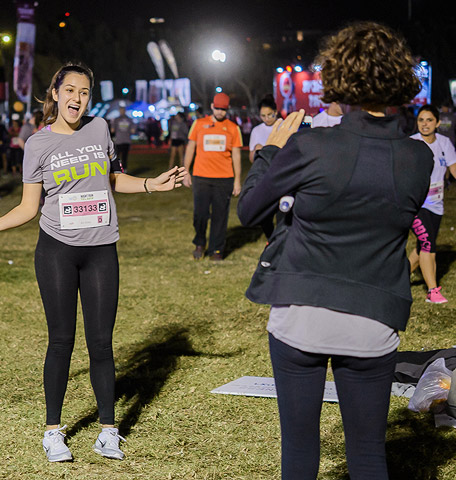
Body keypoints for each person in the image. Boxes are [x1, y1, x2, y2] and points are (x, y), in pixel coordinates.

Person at [0, 62, 186, 463]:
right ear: (55, 93)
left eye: (84, 92)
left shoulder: (99, 129)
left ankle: (108, 431)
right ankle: (53, 432)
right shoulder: (38, 143)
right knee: (61, 340)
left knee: (101, 342)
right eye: (70, 90)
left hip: (101, 248)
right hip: (57, 251)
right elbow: (30, 206)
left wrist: (152, 183)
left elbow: (114, 179)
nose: (76, 99)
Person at [237, 22, 432, 479]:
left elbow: (249, 209)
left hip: (302, 313)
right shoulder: (419, 157)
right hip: (373, 318)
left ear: (338, 80)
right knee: (368, 456)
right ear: (399, 81)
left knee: (300, 454)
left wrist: (270, 150)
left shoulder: (311, 146)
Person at [409, 105, 456, 303]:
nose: (425, 124)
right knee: (429, 244)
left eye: (429, 120)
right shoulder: (411, 144)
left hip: (436, 204)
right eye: (421, 120)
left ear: (437, 123)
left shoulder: (444, 143)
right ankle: (432, 291)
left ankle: (397, 277)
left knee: (422, 246)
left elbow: (454, 166)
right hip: (416, 205)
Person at [183, 92, 242, 261]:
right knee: (200, 214)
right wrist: (186, 170)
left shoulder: (233, 128)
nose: (220, 112)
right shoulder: (199, 124)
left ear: (227, 109)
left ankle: (217, 250)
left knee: (220, 216)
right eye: (217, 108)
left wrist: (237, 180)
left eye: (223, 109)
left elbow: (237, 155)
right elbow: (190, 148)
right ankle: (200, 242)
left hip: (224, 178)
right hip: (201, 177)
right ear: (211, 107)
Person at [249, 95, 280, 239]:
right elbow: (251, 158)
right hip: (263, 176)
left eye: (270, 115)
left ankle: (281, 239)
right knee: (264, 210)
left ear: (276, 111)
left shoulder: (284, 127)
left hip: (281, 174)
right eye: (263, 116)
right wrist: (256, 151)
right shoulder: (257, 131)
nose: (267, 118)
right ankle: (271, 237)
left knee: (282, 210)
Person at [110, 105, 133, 171]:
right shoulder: (129, 119)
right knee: (124, 157)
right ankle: (124, 170)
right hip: (126, 140)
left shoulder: (116, 119)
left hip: (119, 140)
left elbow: (112, 130)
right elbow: (133, 130)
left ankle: (118, 170)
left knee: (117, 157)